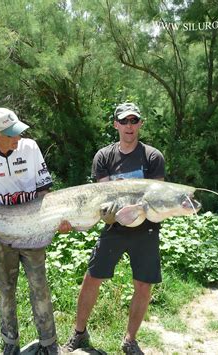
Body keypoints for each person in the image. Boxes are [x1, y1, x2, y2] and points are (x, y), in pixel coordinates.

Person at [64, 103, 165, 354]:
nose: (129, 126)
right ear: (116, 125)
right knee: (92, 278)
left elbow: (156, 195)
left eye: (134, 120)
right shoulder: (104, 157)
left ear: (140, 124)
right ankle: (79, 332)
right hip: (115, 231)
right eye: (124, 121)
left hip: (147, 230)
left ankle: (130, 340)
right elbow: (103, 197)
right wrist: (108, 215)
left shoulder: (153, 157)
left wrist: (137, 210)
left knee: (143, 284)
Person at [0, 108, 71, 355]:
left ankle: (49, 345)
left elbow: (45, 190)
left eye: (18, 132)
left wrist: (58, 218)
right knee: (5, 290)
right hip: (0, 236)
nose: (18, 138)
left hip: (32, 231)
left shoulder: (30, 148)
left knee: (40, 287)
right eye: (11, 134)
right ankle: (10, 344)